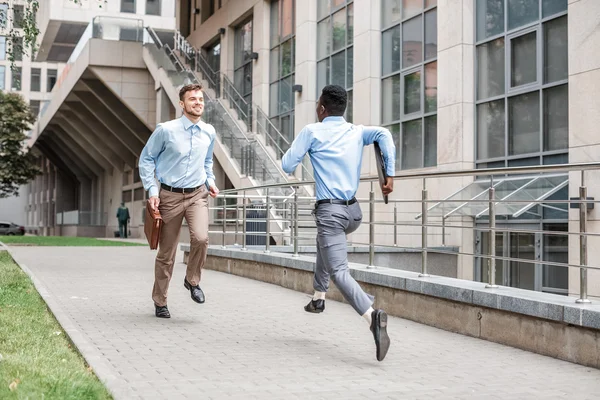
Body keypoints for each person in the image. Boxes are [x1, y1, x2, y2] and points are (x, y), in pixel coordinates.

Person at [281, 85, 396, 362]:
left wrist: (306, 150)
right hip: (353, 213)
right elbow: (384, 134)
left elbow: (287, 165)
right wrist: (389, 174)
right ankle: (318, 297)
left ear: (322, 108)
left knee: (339, 271)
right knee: (325, 239)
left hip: (330, 213)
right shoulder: (356, 131)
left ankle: (372, 317)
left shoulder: (312, 131)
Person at [139, 83, 219, 319]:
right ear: (182, 104)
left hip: (197, 195)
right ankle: (160, 301)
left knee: (202, 238)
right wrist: (152, 191)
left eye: (201, 99)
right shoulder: (166, 130)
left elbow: (207, 163)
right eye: (192, 99)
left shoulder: (209, 132)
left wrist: (211, 181)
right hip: (169, 196)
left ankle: (192, 280)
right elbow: (147, 159)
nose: (198, 103)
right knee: (167, 253)